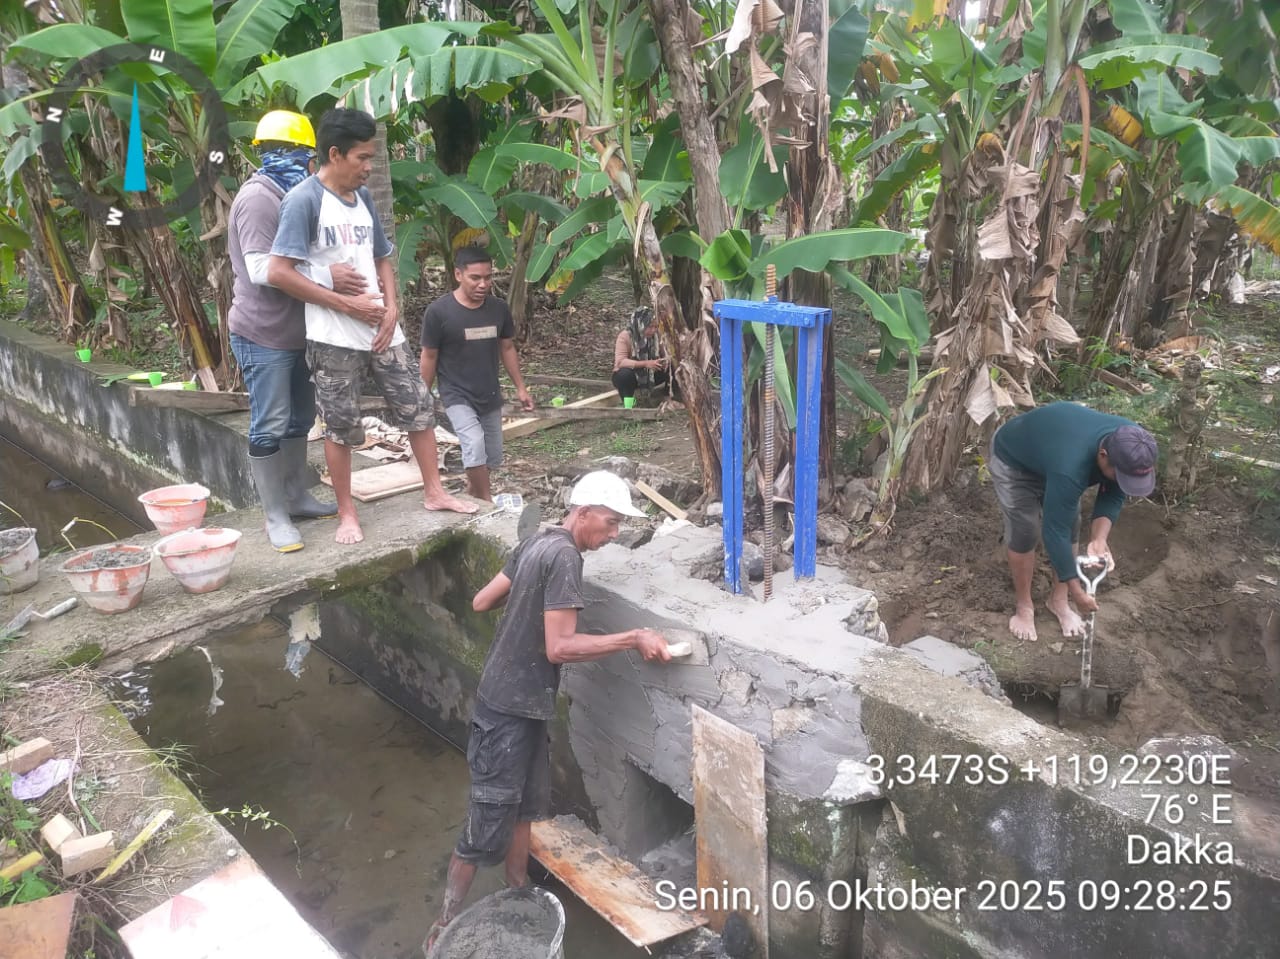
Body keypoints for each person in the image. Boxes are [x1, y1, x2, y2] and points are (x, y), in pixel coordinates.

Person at [426, 471, 672, 949]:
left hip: (515, 702)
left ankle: (518, 891)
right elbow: (559, 648)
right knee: (485, 823)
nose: (615, 532)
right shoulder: (563, 556)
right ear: (583, 513)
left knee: (526, 810)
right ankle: (442, 925)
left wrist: (524, 605)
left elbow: (481, 602)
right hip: (509, 713)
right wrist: (634, 637)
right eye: (611, 521)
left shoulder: (537, 543)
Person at [267, 108, 475, 545]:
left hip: (382, 330)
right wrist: (346, 304)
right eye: (362, 158)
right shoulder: (304, 200)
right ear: (335, 153)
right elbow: (279, 271)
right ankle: (347, 514)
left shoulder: (361, 198)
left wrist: (392, 306)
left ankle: (434, 491)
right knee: (341, 425)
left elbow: (383, 255)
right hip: (333, 338)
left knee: (418, 406)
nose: (369, 167)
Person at [228, 109, 372, 553]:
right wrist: (330, 278)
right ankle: (274, 514)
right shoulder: (259, 198)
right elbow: (259, 269)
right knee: (269, 422)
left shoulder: (304, 194)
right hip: (263, 332)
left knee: (300, 419)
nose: (290, 161)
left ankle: (295, 496)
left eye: (293, 153)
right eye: (279, 152)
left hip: (302, 331)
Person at [988, 402, 1158, 642]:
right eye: (1119, 475)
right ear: (1103, 456)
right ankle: (1024, 606)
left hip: (1053, 456)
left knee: (1071, 525)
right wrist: (1078, 592)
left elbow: (1115, 491)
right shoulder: (1071, 465)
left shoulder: (1134, 445)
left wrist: (1100, 539)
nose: (1124, 481)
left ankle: (1058, 601)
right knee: (1026, 530)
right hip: (1015, 460)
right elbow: (1054, 531)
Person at [419, 246, 533, 503]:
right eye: (475, 278)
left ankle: (474, 490)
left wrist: (521, 388)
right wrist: (421, 394)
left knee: (491, 456)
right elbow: (429, 356)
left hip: (489, 393)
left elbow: (507, 347)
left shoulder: (498, 309)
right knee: (474, 443)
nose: (483, 284)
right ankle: (485, 501)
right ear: (458, 275)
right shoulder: (438, 313)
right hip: (456, 393)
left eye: (488, 277)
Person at [611, 306, 671, 409]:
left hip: (651, 375)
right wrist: (646, 363)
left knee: (673, 366)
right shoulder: (625, 336)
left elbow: (664, 354)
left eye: (655, 327)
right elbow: (620, 362)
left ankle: (668, 397)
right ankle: (628, 405)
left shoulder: (656, 336)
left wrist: (664, 361)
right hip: (633, 376)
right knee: (624, 375)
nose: (653, 330)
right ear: (640, 324)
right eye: (650, 327)